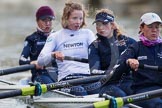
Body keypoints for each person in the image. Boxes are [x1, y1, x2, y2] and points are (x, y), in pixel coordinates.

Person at [37, 2, 96, 96]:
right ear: (66, 18)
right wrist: (53, 55)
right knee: (80, 92)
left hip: (88, 77)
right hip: (67, 79)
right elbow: (40, 61)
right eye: (74, 18)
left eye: (81, 18)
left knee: (105, 90)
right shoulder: (55, 36)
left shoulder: (88, 34)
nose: (78, 22)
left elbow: (99, 53)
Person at [110, 12, 162, 107]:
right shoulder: (135, 47)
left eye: (157, 27)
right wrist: (128, 62)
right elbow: (118, 67)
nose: (154, 30)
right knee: (158, 105)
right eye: (150, 27)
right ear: (141, 28)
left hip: (160, 89)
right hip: (143, 91)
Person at [88, 9, 136, 97]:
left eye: (104, 24)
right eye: (98, 24)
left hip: (128, 81)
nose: (101, 27)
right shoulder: (94, 46)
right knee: (121, 95)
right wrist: (112, 72)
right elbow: (94, 71)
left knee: (138, 93)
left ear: (112, 25)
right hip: (107, 84)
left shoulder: (129, 42)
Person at [19, 6, 57, 84]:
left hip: (59, 74)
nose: (48, 23)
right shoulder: (31, 39)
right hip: (40, 75)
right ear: (37, 21)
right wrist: (32, 62)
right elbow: (21, 60)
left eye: (50, 20)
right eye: (44, 20)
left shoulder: (58, 36)